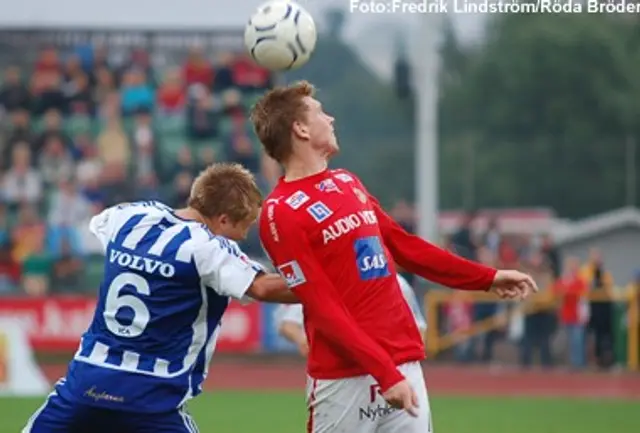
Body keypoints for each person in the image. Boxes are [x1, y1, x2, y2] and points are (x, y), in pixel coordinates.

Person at [251, 81, 538, 433]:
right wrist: (383, 373)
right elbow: (323, 307)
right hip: (343, 382)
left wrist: (487, 277)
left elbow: (406, 247)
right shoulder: (280, 213)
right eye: (320, 111)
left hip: (403, 365)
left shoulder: (347, 182)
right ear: (300, 128)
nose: (331, 117)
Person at [23, 163, 296, 433]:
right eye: (243, 227)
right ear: (223, 219)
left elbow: (97, 225)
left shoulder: (131, 216)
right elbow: (262, 288)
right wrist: (330, 286)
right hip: (153, 396)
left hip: (86, 383)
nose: (243, 235)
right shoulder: (208, 247)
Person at [277, 273, 427, 357]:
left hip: (391, 365)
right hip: (339, 368)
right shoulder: (327, 281)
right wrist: (303, 340)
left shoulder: (398, 284)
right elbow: (288, 324)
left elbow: (418, 327)